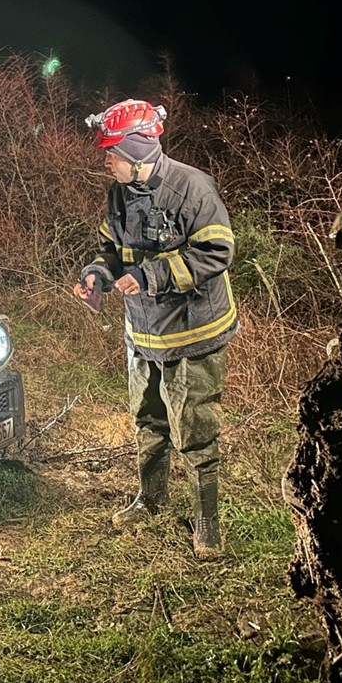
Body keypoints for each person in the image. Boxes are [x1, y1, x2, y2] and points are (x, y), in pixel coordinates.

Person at [74, 98, 238, 559]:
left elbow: (217, 252)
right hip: (143, 334)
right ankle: (151, 499)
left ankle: (207, 523)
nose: (106, 160)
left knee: (195, 430)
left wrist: (151, 275)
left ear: (139, 151)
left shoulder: (192, 188)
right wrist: (98, 275)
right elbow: (111, 246)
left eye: (112, 152)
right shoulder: (118, 192)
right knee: (148, 419)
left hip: (193, 333)